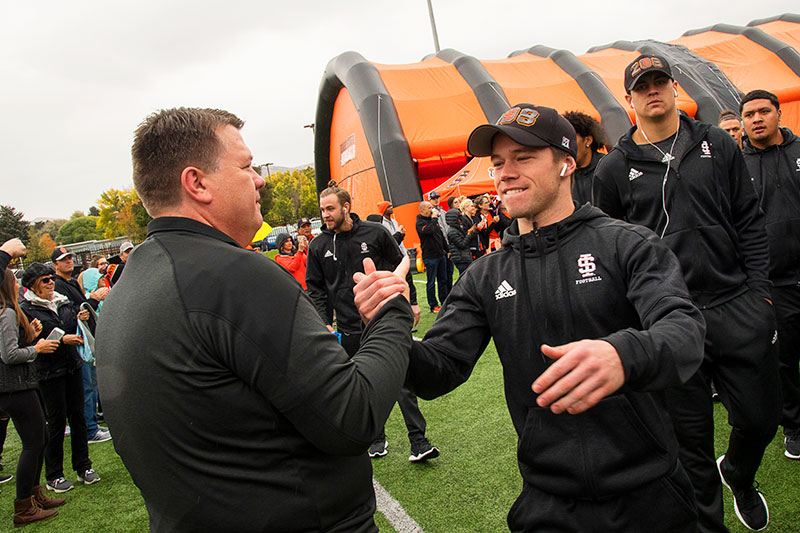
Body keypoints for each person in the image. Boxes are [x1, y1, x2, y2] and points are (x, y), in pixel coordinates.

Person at [96, 107, 414, 532]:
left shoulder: (125, 288)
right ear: (197, 183)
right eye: (246, 166)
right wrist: (390, 311)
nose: (260, 178)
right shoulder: (233, 275)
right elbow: (353, 419)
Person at [408, 103, 705, 531]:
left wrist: (622, 355)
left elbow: (684, 331)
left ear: (567, 163)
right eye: (497, 164)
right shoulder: (485, 275)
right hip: (548, 503)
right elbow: (438, 371)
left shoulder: (626, 244)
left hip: (649, 495)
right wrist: (392, 329)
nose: (505, 173)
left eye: (523, 157)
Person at [593, 55, 779, 532]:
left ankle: (738, 472)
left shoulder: (716, 141)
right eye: (642, 86)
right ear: (630, 99)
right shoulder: (613, 169)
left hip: (735, 304)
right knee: (690, 443)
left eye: (660, 82)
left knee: (761, 419)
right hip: (669, 319)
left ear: (675, 88)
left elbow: (749, 220)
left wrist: (760, 295)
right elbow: (612, 252)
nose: (652, 91)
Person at [308, 184, 438, 462]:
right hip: (346, 329)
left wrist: (412, 301)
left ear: (346, 207)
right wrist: (323, 323)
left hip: (382, 323)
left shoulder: (375, 233)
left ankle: (419, 441)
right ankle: (376, 438)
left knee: (402, 383)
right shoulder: (318, 246)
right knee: (358, 387)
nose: (325, 215)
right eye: (322, 210)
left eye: (330, 209)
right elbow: (316, 288)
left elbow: (399, 264)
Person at [740, 89, 800, 461]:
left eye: (764, 111)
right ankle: (795, 425)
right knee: (784, 360)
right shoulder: (736, 164)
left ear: (779, 113)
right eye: (750, 114)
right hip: (773, 281)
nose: (757, 119)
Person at [20, 261, 101, 494]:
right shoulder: (27, 308)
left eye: (51, 278)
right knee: (56, 423)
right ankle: (54, 474)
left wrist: (81, 316)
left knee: (78, 418)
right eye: (45, 280)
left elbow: (69, 323)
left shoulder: (61, 301)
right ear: (32, 284)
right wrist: (59, 340)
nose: (50, 282)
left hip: (72, 365)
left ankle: (83, 467)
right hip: (48, 372)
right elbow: (27, 341)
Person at [0, 241, 65, 527]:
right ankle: (24, 505)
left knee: (39, 437)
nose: (18, 283)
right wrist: (35, 350)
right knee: (34, 442)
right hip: (15, 387)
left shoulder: (12, 312)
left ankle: (35, 496)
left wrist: (31, 338)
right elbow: (9, 356)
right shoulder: (8, 312)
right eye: (14, 279)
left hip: (19, 385)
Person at [51, 248, 110, 445]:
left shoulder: (70, 282)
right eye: (63, 259)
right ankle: (90, 429)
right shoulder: (59, 285)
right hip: (76, 343)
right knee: (86, 387)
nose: (69, 261)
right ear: (55, 265)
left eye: (70, 258)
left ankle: (91, 424)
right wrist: (92, 300)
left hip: (83, 340)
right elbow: (68, 315)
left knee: (90, 386)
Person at [563, 110, 608, 204]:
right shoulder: (561, 175)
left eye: (572, 139)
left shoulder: (608, 167)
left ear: (588, 141)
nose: (567, 145)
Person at [416, 201, 450, 313]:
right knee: (431, 282)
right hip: (430, 257)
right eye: (429, 207)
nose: (432, 209)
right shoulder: (419, 222)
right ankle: (433, 305)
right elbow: (428, 231)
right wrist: (435, 218)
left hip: (441, 255)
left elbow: (440, 235)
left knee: (443, 280)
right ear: (423, 210)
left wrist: (447, 250)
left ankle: (444, 301)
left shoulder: (433, 220)